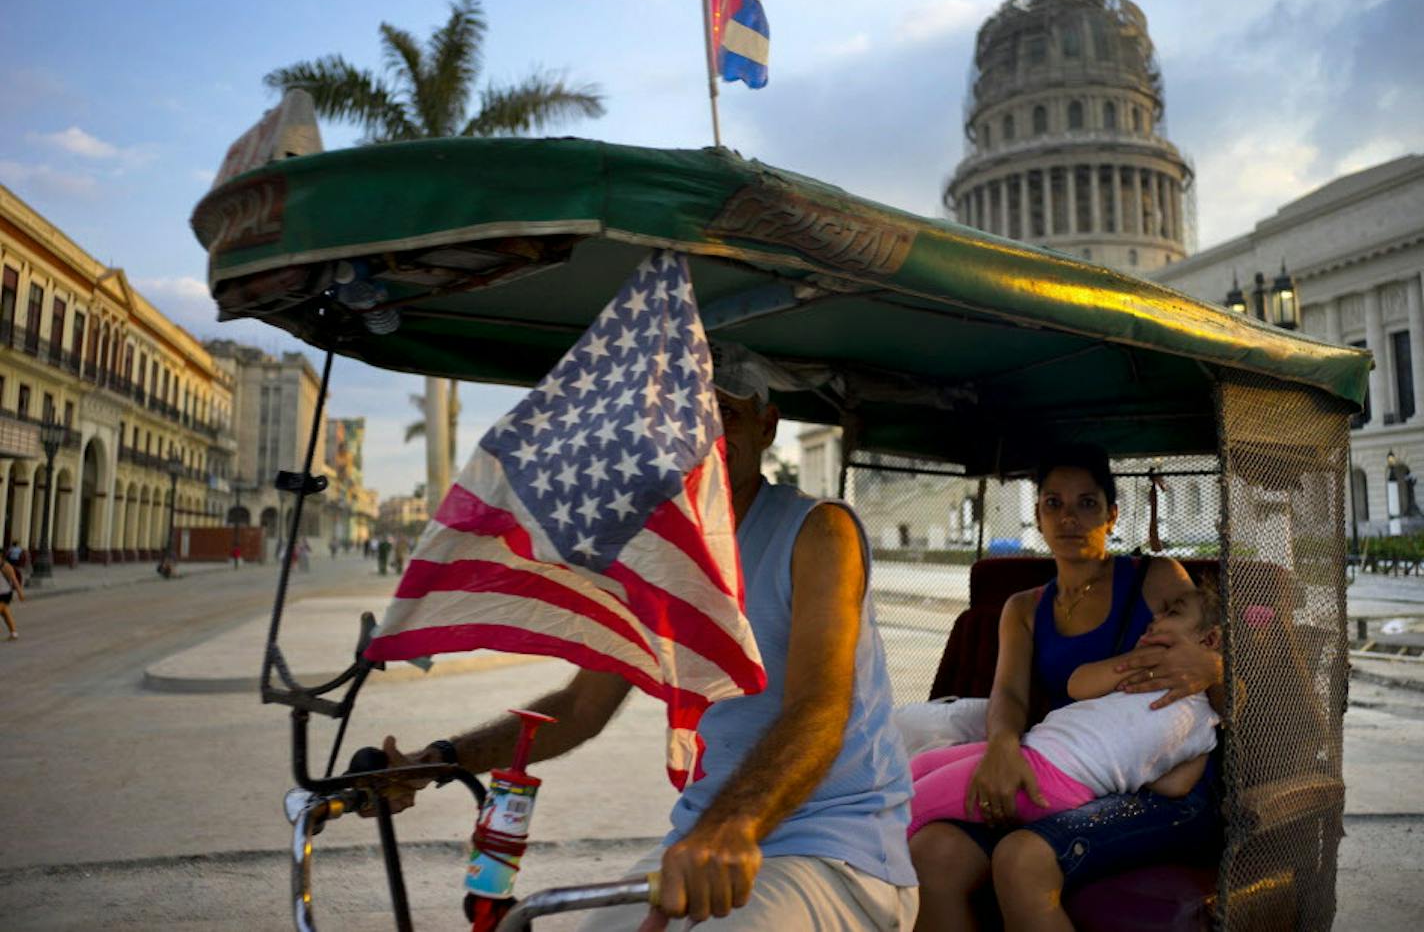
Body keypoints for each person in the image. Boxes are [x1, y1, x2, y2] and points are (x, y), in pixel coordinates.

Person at [371, 355, 918, 930]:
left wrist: (729, 828)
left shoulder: (818, 532)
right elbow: (581, 708)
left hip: (833, 848)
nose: (704, 436)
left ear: (767, 426)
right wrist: (437, 761)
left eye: (725, 414)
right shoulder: (664, 556)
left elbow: (820, 708)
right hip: (701, 843)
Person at [909, 444, 1224, 932]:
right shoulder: (1024, 608)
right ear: (1037, 516)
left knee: (1021, 858)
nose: (1069, 518)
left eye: (1087, 503)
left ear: (1112, 514)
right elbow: (1009, 697)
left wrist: (1215, 667)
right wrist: (1002, 746)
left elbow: (1220, 643)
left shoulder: (1155, 579)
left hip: (1158, 787)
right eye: (1053, 503)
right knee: (932, 852)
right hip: (1060, 768)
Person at [908, 572, 1221, 835]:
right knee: (916, 768)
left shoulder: (1198, 716)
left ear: (1209, 641)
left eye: (1173, 614)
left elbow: (1078, 684)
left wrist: (1116, 770)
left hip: (1050, 775)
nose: (1156, 617)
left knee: (911, 805)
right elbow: (1175, 784)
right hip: (1034, 752)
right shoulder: (1197, 721)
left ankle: (871, 879)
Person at [1, 554, 24, 640]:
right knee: (5, 614)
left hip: (5, 594)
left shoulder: (6, 566)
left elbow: (14, 580)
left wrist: (20, 593)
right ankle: (14, 633)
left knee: (5, 613)